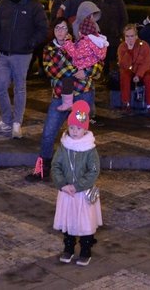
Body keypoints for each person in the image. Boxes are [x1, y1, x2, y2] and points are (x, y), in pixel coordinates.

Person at [25, 19, 96, 183]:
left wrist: (85, 71)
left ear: (69, 30)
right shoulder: (49, 48)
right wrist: (79, 69)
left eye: (64, 28)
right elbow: (53, 70)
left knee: (80, 132)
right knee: (48, 133)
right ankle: (42, 170)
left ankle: (81, 170)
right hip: (59, 97)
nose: (60, 31)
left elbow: (96, 64)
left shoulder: (81, 44)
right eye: (57, 27)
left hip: (81, 96)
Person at [0, 0, 48, 139]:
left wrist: (30, 43)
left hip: (22, 54)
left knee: (19, 87)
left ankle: (16, 123)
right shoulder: (3, 4)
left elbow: (43, 29)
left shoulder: (33, 6)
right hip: (4, 53)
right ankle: (7, 120)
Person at [51, 100, 102, 267]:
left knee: (85, 223)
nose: (74, 131)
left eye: (78, 128)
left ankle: (86, 249)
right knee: (69, 221)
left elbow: (93, 171)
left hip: (82, 193)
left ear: (85, 128)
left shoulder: (89, 149)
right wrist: (62, 184)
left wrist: (77, 185)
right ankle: (69, 247)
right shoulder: (64, 146)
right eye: (71, 127)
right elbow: (56, 165)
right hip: (66, 192)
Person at [117, 24, 150, 115]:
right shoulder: (122, 47)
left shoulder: (144, 45)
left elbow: (147, 62)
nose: (129, 39)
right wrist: (129, 50)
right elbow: (123, 65)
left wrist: (139, 75)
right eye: (127, 36)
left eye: (132, 36)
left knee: (149, 76)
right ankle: (126, 104)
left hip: (143, 70)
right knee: (124, 75)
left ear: (136, 36)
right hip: (129, 70)